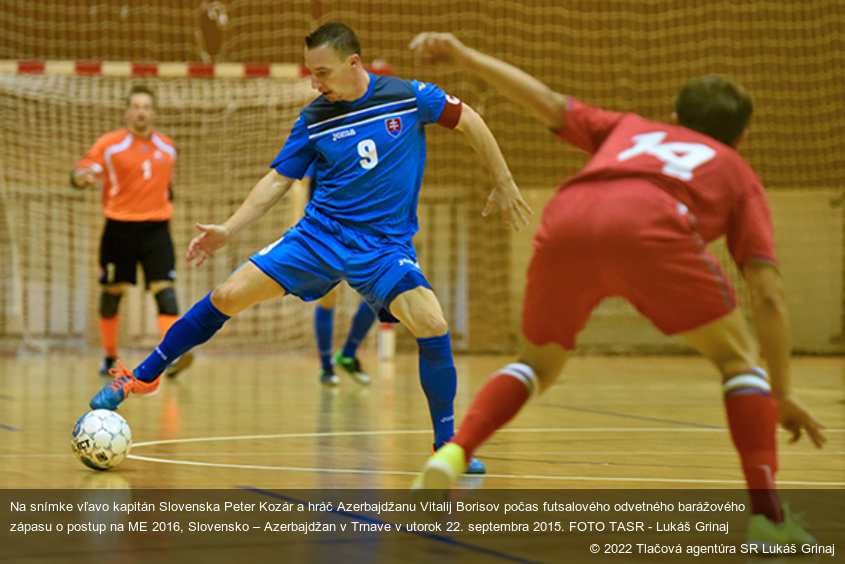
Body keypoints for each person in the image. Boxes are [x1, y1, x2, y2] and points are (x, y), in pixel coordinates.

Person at [409, 33, 826, 546]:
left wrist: (466, 58)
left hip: (570, 217)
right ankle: (768, 520)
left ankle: (455, 452)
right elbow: (767, 295)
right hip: (654, 222)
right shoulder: (737, 171)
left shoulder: (630, 129)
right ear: (741, 137)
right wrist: (779, 394)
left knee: (536, 364)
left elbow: (544, 101)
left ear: (674, 116)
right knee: (739, 363)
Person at [89, 23, 531, 474]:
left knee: (432, 323)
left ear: (353, 63)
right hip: (318, 237)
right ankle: (141, 376)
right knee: (225, 295)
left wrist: (504, 181)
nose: (314, 82)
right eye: (311, 73)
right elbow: (278, 180)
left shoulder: (409, 96)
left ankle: (447, 446)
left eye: (322, 72)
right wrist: (229, 228)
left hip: (382, 247)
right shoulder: (314, 118)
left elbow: (471, 120)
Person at [72, 85, 193, 379]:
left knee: (165, 292)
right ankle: (109, 357)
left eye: (146, 107)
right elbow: (81, 170)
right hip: (119, 228)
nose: (141, 111)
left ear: (154, 113)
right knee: (112, 293)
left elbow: (167, 189)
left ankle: (173, 357)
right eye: (136, 106)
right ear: (127, 112)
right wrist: (81, 177)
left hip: (156, 230)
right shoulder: (110, 145)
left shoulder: (168, 147)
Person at [300, 164, 377, 386]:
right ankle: (326, 366)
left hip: (361, 230)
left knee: (379, 295)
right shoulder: (323, 141)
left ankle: (348, 354)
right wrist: (299, 228)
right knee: (328, 296)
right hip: (324, 232)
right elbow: (301, 186)